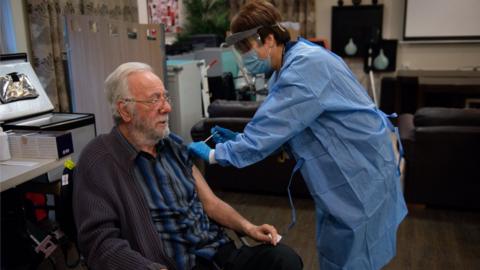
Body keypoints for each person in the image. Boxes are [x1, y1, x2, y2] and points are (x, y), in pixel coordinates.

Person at [188, 1, 408, 270]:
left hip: (358, 170)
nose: (244, 57)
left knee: (355, 253)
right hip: (340, 168)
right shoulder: (287, 67)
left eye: (246, 49)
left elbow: (270, 128)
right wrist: (238, 140)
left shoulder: (304, 67)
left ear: (268, 39)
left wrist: (215, 154)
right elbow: (282, 127)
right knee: (337, 246)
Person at [72, 62, 303, 270]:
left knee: (284, 260)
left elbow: (211, 203)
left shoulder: (173, 145)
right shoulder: (99, 161)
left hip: (217, 254)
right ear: (125, 110)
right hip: (169, 263)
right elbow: (99, 243)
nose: (167, 108)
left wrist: (248, 227)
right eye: (155, 100)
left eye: (166, 97)